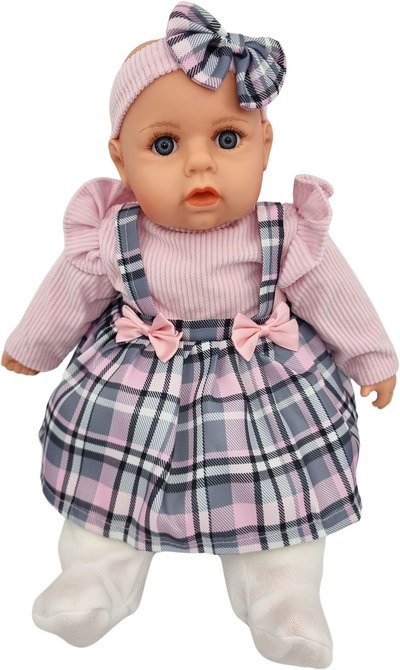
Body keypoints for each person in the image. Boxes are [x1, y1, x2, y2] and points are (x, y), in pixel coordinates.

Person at [1, 3, 398, 667]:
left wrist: (371, 357)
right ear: (121, 161)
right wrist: (31, 345)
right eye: (164, 146)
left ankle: (283, 596)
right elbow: (70, 291)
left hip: (260, 387)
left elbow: (336, 295)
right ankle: (94, 578)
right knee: (109, 484)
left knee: (277, 493)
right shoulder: (114, 237)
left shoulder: (286, 234)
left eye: (227, 139)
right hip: (138, 383)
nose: (199, 165)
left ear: (265, 144)